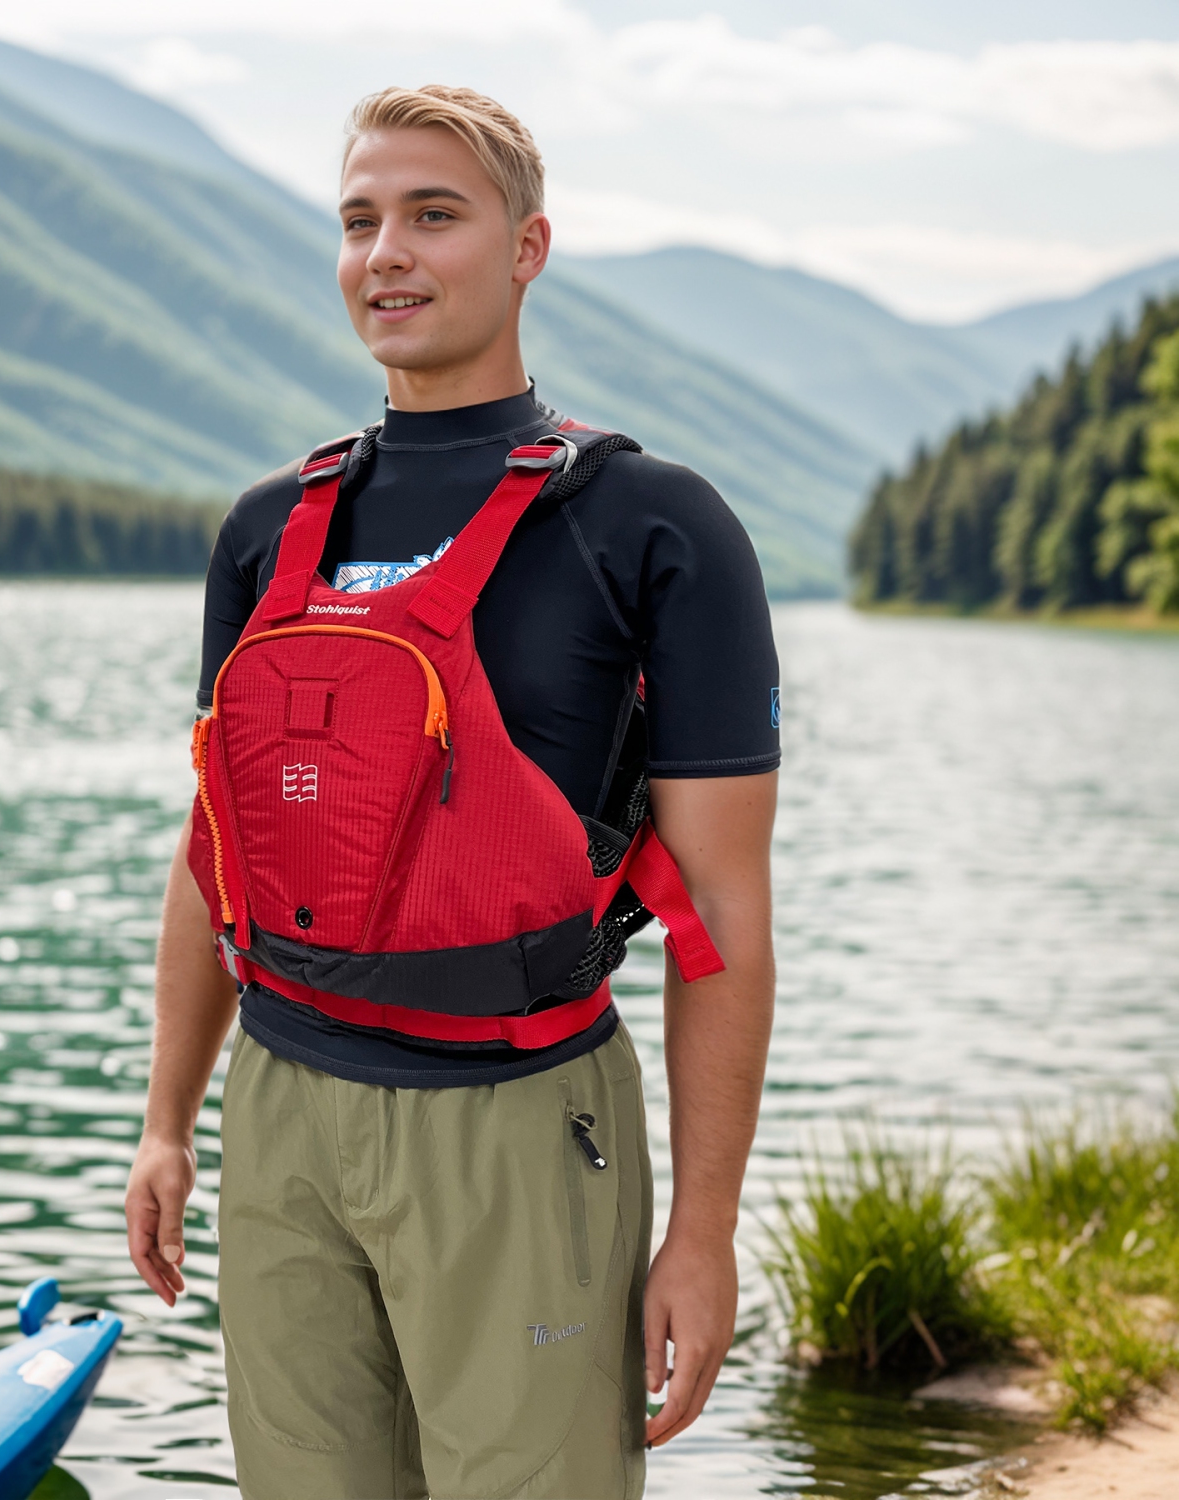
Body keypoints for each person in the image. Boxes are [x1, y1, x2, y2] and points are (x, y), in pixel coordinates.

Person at [125, 84, 778, 1500]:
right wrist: (169, 1118)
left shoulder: (653, 526)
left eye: (434, 215)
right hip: (285, 1109)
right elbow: (214, 852)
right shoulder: (266, 529)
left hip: (524, 1122)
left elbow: (722, 902)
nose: (388, 255)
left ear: (528, 246)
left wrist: (706, 1229)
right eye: (360, 221)